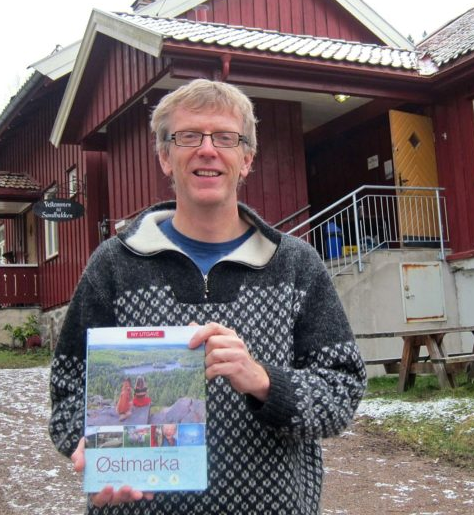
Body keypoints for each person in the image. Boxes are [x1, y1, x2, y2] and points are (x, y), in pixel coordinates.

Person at [49, 78, 366, 514]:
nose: (207, 150)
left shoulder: (295, 265)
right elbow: (68, 391)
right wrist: (93, 451)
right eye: (188, 136)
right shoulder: (114, 265)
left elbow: (342, 391)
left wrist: (264, 381)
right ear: (165, 157)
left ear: (247, 159)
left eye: (225, 138)